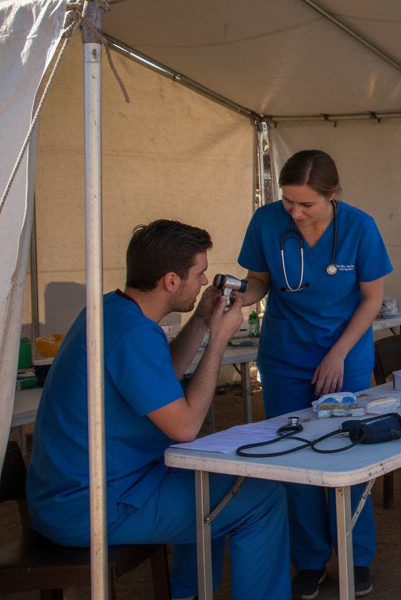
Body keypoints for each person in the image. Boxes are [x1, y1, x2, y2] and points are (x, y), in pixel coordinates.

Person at [26, 220, 289, 600]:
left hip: (71, 494)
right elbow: (184, 426)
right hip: (94, 507)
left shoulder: (111, 310)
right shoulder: (134, 333)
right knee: (261, 495)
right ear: (170, 280)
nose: (203, 282)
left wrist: (200, 321)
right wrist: (218, 341)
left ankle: (187, 593)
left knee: (208, 476)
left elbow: (160, 379)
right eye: (199, 273)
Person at [233, 149, 392, 598]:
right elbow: (260, 280)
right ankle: (308, 559)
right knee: (294, 456)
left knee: (350, 453)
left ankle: (357, 557)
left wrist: (338, 354)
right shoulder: (266, 221)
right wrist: (239, 300)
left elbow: (372, 299)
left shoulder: (359, 226)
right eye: (289, 202)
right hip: (285, 355)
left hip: (345, 353)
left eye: (308, 204)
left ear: (333, 195)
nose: (297, 214)